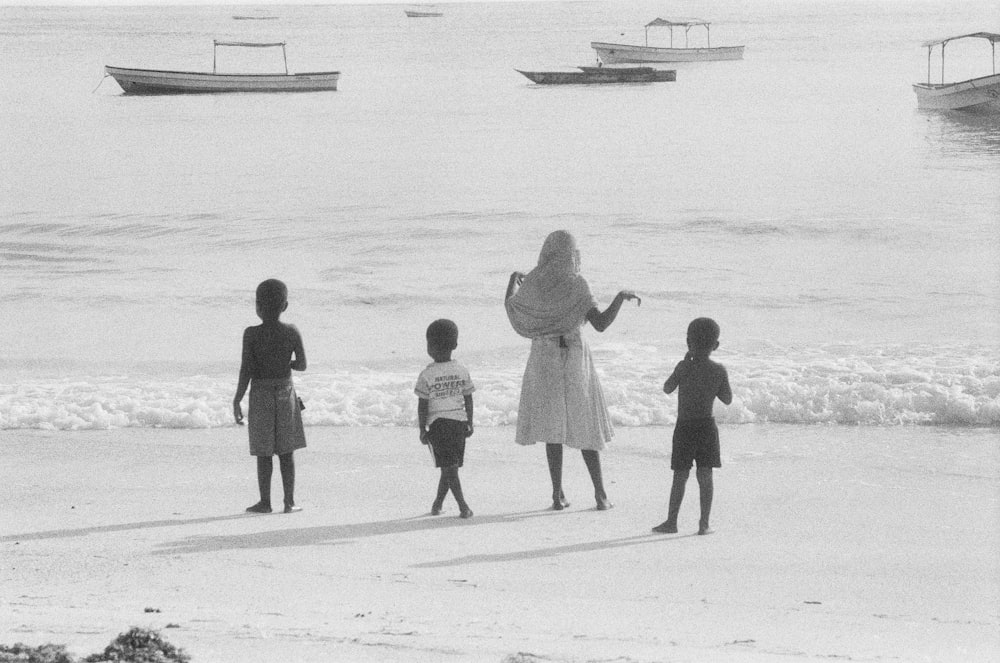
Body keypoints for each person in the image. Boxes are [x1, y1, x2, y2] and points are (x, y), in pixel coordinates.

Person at [505, 230, 640, 511]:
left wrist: (511, 282)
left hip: (543, 356)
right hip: (574, 355)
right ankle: (601, 495)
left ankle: (557, 495)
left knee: (553, 428)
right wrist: (618, 298)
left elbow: (513, 312)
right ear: (572, 255)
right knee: (586, 423)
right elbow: (601, 324)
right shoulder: (576, 284)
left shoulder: (532, 284)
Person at [233, 279, 307, 514]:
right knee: (287, 451)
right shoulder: (291, 331)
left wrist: (237, 399)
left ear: (257, 306)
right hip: (285, 393)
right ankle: (289, 501)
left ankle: (265, 502)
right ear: (285, 306)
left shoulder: (251, 334)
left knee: (263, 452)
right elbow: (303, 365)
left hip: (261, 395)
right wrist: (288, 362)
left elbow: (246, 369)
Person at [654, 317, 732, 535]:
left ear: (688, 342)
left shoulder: (683, 367)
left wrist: (684, 366)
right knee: (705, 476)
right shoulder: (718, 370)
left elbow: (667, 388)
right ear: (715, 345)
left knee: (680, 475)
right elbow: (727, 399)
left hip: (684, 428)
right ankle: (704, 523)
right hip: (707, 427)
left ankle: (671, 522)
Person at [415, 319, 475, 518]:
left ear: (428, 348)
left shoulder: (427, 375)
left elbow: (423, 405)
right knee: (450, 467)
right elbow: (468, 398)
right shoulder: (461, 371)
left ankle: (455, 505)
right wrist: (470, 421)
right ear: (455, 345)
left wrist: (422, 429)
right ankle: (450, 504)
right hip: (458, 424)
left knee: (449, 468)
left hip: (439, 426)